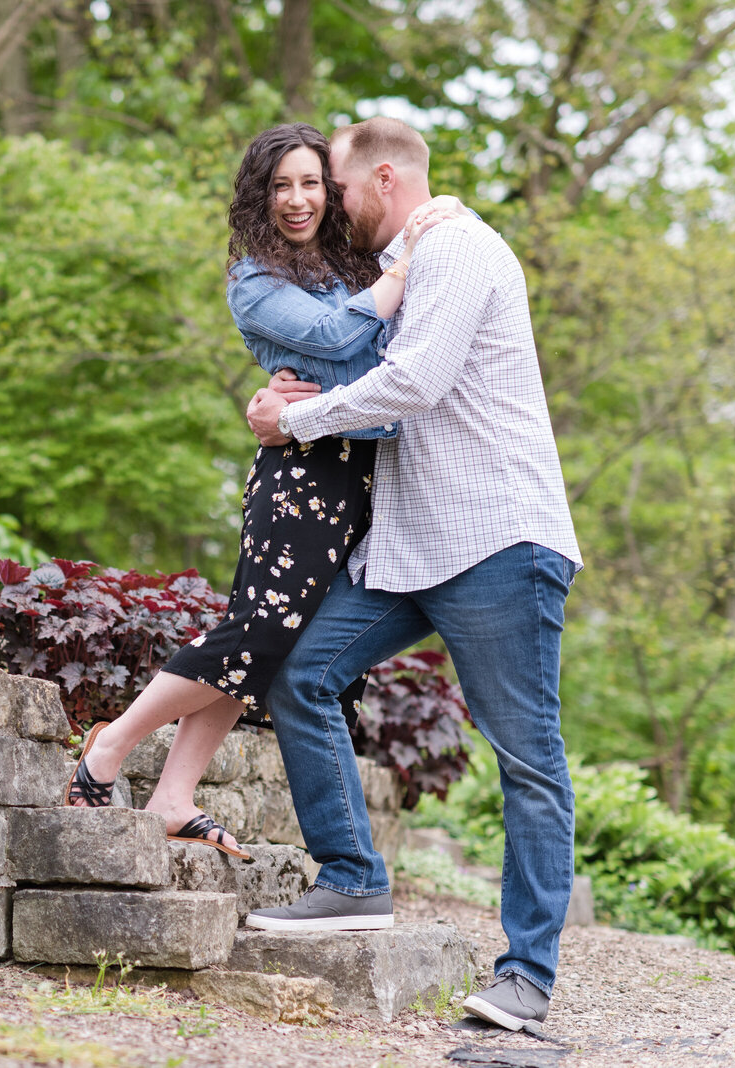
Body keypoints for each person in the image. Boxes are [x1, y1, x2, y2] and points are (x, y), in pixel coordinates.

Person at [241, 116, 583, 1034]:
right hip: (411, 548)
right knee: (300, 673)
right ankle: (353, 878)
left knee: (528, 760)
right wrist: (285, 384)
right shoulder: (408, 266)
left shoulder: (462, 250)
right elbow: (354, 357)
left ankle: (526, 978)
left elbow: (418, 381)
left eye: (341, 191)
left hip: (499, 545)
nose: (334, 208)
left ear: (383, 180)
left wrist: (294, 423)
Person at [63, 123, 459, 860]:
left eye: (312, 182)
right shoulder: (254, 280)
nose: (299, 199)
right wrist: (400, 276)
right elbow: (340, 338)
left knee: (271, 650)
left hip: (365, 479)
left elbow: (398, 352)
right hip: (300, 476)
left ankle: (174, 798)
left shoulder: (357, 262)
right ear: (260, 195)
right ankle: (108, 747)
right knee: (255, 635)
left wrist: (406, 256)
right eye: (281, 186)